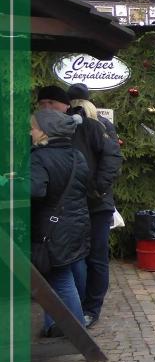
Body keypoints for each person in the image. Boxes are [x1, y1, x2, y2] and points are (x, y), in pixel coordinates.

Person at [41, 86, 123, 328]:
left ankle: (91, 308)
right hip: (68, 206)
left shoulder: (91, 126)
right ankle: (75, 308)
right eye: (42, 103)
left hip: (95, 203)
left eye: (51, 102)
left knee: (96, 257)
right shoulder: (47, 129)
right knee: (75, 258)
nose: (46, 107)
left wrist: (97, 189)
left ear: (66, 104)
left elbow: (112, 157)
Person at [31, 108, 91, 338]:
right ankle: (56, 326)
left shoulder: (40, 157)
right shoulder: (76, 155)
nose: (32, 131)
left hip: (53, 228)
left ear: (46, 132)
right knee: (59, 276)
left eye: (34, 127)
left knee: (60, 278)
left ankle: (76, 334)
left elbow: (36, 190)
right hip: (73, 224)